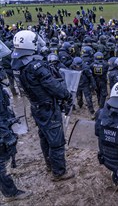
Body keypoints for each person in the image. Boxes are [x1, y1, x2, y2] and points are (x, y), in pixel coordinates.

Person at [11, 30, 75, 181]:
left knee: (44, 137)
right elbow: (53, 86)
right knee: (56, 141)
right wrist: (66, 95)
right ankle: (59, 172)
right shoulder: (36, 66)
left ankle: (49, 164)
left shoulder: (17, 63)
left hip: (36, 106)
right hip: (48, 108)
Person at [0, 65, 32, 202]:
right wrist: (5, 134)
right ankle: (10, 194)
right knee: (1, 163)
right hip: (2, 131)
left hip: (4, 125)